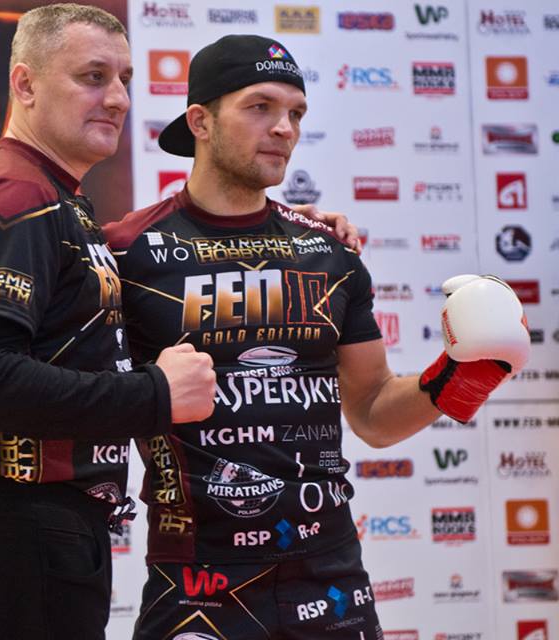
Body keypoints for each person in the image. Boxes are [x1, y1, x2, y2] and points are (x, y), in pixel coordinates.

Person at [103, 35, 530, 639]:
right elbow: (75, 398)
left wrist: (462, 376)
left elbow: (374, 413)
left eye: (296, 113)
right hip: (196, 573)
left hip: (329, 570)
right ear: (200, 121)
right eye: (260, 107)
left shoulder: (330, 251)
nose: (284, 128)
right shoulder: (125, 253)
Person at [0, 5, 217, 639]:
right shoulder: (17, 197)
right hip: (16, 530)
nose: (119, 98)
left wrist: (298, 230)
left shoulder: (48, 195)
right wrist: (156, 395)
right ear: (25, 84)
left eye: (125, 79)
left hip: (25, 531)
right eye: (93, 77)